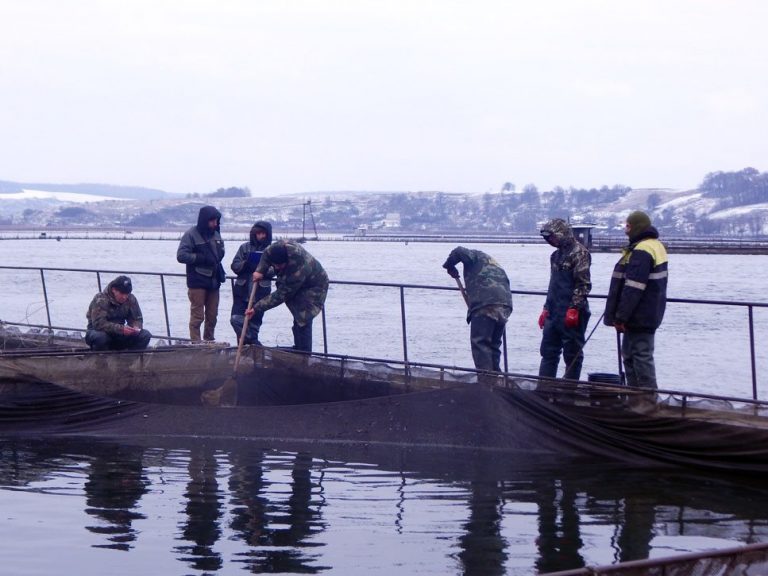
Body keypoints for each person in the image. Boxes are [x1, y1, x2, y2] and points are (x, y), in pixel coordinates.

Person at [604, 211, 668, 388]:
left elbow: (633, 287)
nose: (625, 230)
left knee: (640, 356)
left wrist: (620, 317)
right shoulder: (655, 246)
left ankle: (644, 401)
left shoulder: (642, 250)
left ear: (637, 227)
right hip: (648, 312)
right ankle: (636, 399)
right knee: (631, 355)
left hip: (639, 315)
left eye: (628, 226)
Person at [246, 240, 328, 352]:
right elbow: (266, 254)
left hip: (314, 287)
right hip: (299, 282)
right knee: (297, 318)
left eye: (280, 265)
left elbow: (281, 295)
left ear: (287, 261)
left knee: (303, 318)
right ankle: (298, 349)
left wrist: (256, 308)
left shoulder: (299, 267)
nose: (277, 268)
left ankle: (304, 354)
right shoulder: (275, 248)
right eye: (275, 265)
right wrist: (260, 270)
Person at [442, 247, 513, 372]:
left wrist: (448, 266)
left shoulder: (474, 256)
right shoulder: (491, 262)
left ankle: (485, 382)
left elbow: (458, 251)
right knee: (494, 344)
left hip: (485, 303)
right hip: (505, 304)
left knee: (480, 343)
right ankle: (495, 379)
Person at [538, 218, 592, 380]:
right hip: (554, 311)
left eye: (553, 237)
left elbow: (583, 284)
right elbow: (552, 284)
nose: (551, 241)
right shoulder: (555, 255)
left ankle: (569, 391)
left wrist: (574, 308)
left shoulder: (580, 253)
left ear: (562, 234)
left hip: (572, 312)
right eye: (549, 238)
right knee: (548, 351)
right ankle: (545, 389)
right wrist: (546, 308)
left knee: (572, 354)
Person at [176, 205, 225, 341]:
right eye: (212, 221)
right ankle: (196, 344)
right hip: (197, 281)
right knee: (197, 317)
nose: (215, 224)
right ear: (204, 220)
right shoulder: (190, 234)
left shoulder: (216, 233)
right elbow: (181, 256)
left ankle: (209, 342)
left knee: (212, 316)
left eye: (216, 221)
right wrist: (200, 258)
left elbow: (220, 253)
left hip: (214, 281)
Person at [230, 220, 273, 345]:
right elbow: (235, 265)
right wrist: (246, 264)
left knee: (254, 325)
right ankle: (254, 344)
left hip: (260, 293)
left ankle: (251, 354)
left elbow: (275, 269)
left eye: (263, 234)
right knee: (236, 320)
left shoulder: (271, 250)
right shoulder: (244, 247)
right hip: (242, 291)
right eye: (258, 233)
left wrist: (261, 270)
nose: (261, 236)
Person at [85, 275, 152, 351]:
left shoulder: (131, 299)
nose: (124, 297)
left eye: (127, 294)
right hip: (98, 331)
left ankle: (131, 359)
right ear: (114, 290)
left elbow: (137, 318)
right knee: (101, 338)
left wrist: (135, 327)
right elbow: (98, 324)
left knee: (145, 335)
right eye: (122, 293)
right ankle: (100, 360)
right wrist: (120, 329)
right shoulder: (100, 299)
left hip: (119, 334)